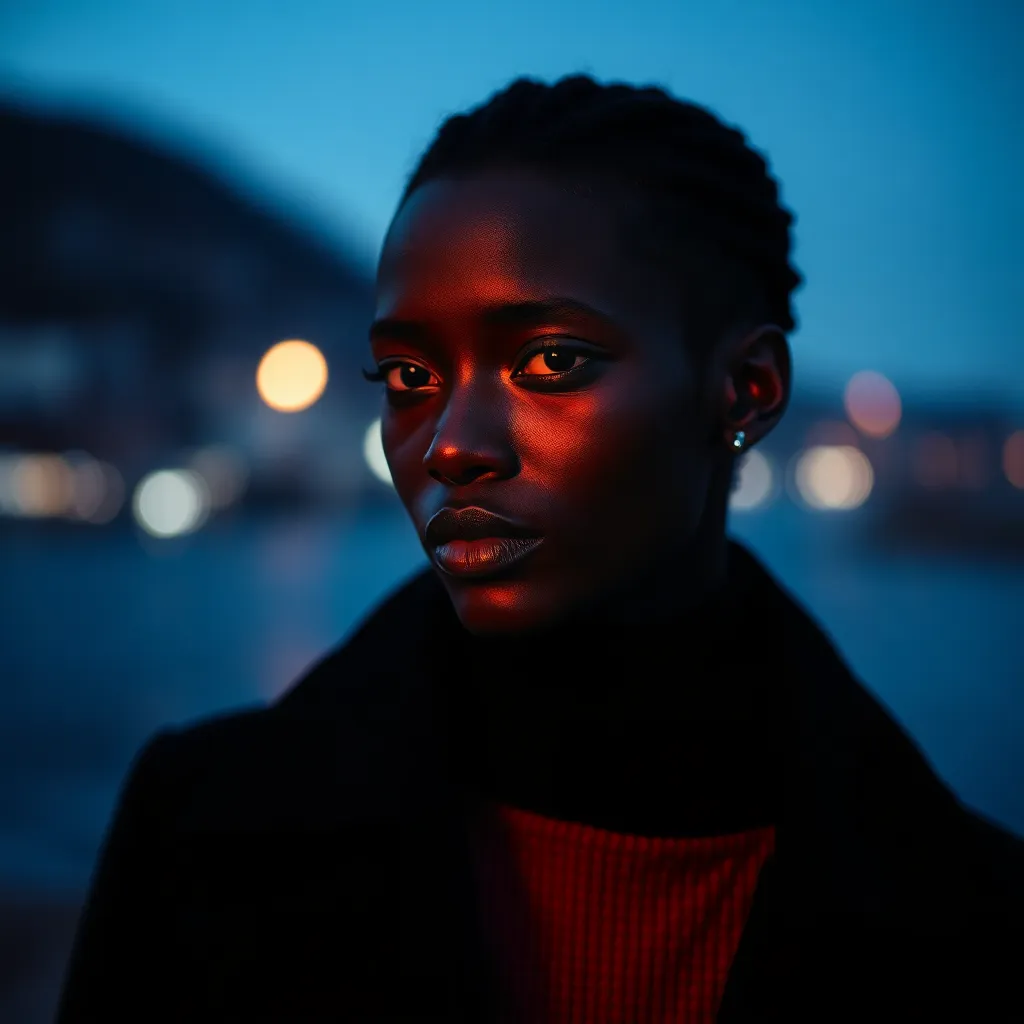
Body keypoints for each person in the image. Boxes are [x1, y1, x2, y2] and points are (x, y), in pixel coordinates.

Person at [56, 74, 1024, 1023]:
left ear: (745, 392)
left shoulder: (974, 924)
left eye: (550, 361)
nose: (450, 443)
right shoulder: (198, 833)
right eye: (407, 375)